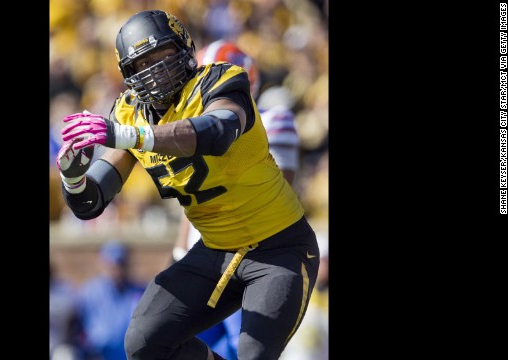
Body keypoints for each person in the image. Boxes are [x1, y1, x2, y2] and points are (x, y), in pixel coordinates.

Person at [56, 10, 319, 360]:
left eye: (163, 55)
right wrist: (73, 178)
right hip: (216, 250)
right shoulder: (130, 113)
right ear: (128, 75)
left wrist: (128, 136)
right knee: (144, 341)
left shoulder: (222, 79)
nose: (157, 69)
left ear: (185, 48)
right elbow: (92, 202)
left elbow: (217, 131)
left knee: (255, 354)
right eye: (143, 63)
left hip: (279, 246)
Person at [171, 40, 302, 360]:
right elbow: (191, 201)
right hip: (201, 260)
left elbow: (275, 194)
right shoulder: (196, 128)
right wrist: (177, 253)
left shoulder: (274, 121)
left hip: (242, 259)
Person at [72, 241, 145, 360]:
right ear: (102, 263)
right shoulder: (88, 292)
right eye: (110, 263)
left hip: (128, 354)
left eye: (119, 263)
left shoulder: (140, 292)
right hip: (96, 354)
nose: (114, 268)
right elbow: (77, 328)